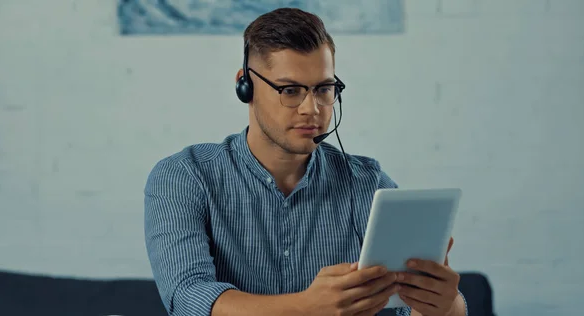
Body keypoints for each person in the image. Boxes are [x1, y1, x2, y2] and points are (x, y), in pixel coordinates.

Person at [144, 7, 468, 316]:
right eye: (290, 90)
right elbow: (188, 298)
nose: (311, 109)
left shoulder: (369, 184)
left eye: (324, 89)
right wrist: (307, 308)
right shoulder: (185, 176)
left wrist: (443, 305)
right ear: (246, 85)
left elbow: (408, 309)